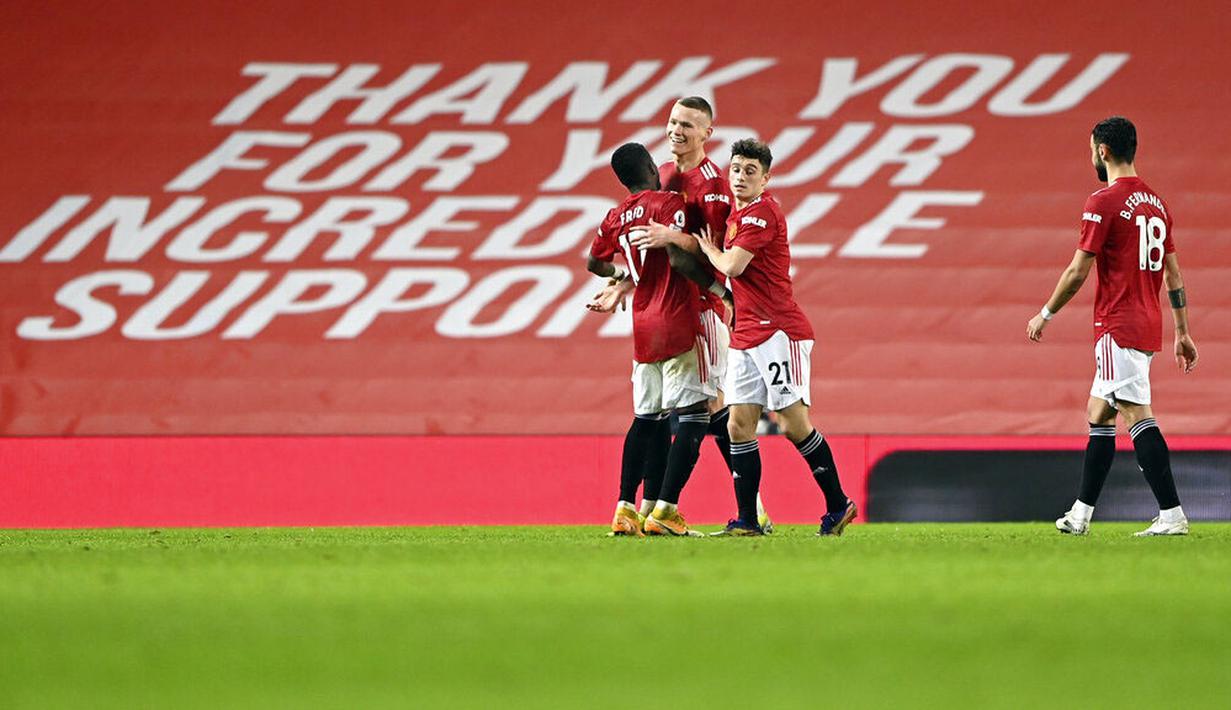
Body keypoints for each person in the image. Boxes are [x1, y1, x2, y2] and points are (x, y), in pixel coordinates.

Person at [1027, 116, 1198, 537]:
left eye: (1091, 150)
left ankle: (1172, 514)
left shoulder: (1102, 201)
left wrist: (1045, 313)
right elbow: (1174, 277)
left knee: (1137, 413)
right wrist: (1182, 332)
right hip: (1147, 323)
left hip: (1117, 324)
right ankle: (1081, 514)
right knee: (1098, 411)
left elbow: (1076, 271)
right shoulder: (1156, 204)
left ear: (1102, 150)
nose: (1092, 157)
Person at [693, 138, 856, 536]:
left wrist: (706, 251)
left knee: (792, 422)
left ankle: (838, 504)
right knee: (738, 426)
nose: (741, 176)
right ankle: (748, 520)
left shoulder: (761, 214)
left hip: (779, 332)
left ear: (766, 178)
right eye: (735, 169)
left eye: (751, 171)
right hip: (746, 332)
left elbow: (731, 265)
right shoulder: (737, 215)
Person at [628, 96, 774, 531]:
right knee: (710, 411)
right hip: (668, 306)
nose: (677, 130)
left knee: (706, 409)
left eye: (688, 124)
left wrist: (675, 236)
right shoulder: (665, 177)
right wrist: (622, 281)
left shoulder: (714, 182)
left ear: (707, 134)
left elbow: (720, 247)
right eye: (673, 121)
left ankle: (667, 509)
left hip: (704, 305)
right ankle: (747, 509)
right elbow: (650, 244)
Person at [587, 142, 716, 537]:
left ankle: (625, 508)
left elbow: (594, 262)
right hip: (678, 317)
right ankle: (666, 510)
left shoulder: (616, 216)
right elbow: (677, 257)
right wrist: (715, 284)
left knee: (646, 420)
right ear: (649, 166)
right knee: (696, 415)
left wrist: (624, 276)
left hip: (643, 325)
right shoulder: (668, 203)